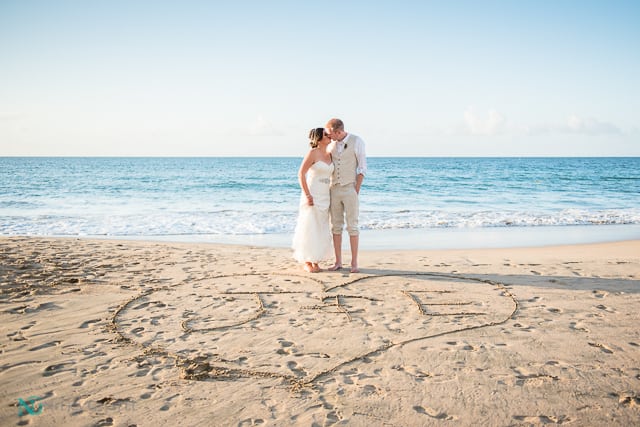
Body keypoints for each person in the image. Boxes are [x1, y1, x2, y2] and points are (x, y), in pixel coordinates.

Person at [325, 118, 367, 273]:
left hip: (350, 189)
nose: (328, 136)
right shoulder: (330, 145)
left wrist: (356, 190)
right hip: (334, 189)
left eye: (330, 133)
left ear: (338, 131)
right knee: (335, 226)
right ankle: (338, 262)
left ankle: (354, 263)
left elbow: (362, 168)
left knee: (352, 227)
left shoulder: (357, 141)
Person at [291, 128, 334, 272]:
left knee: (321, 227)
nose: (329, 136)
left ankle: (316, 260)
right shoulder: (312, 153)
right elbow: (301, 174)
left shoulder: (330, 154)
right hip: (312, 194)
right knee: (309, 226)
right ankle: (307, 260)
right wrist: (308, 195)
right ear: (319, 138)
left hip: (325, 195)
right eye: (326, 135)